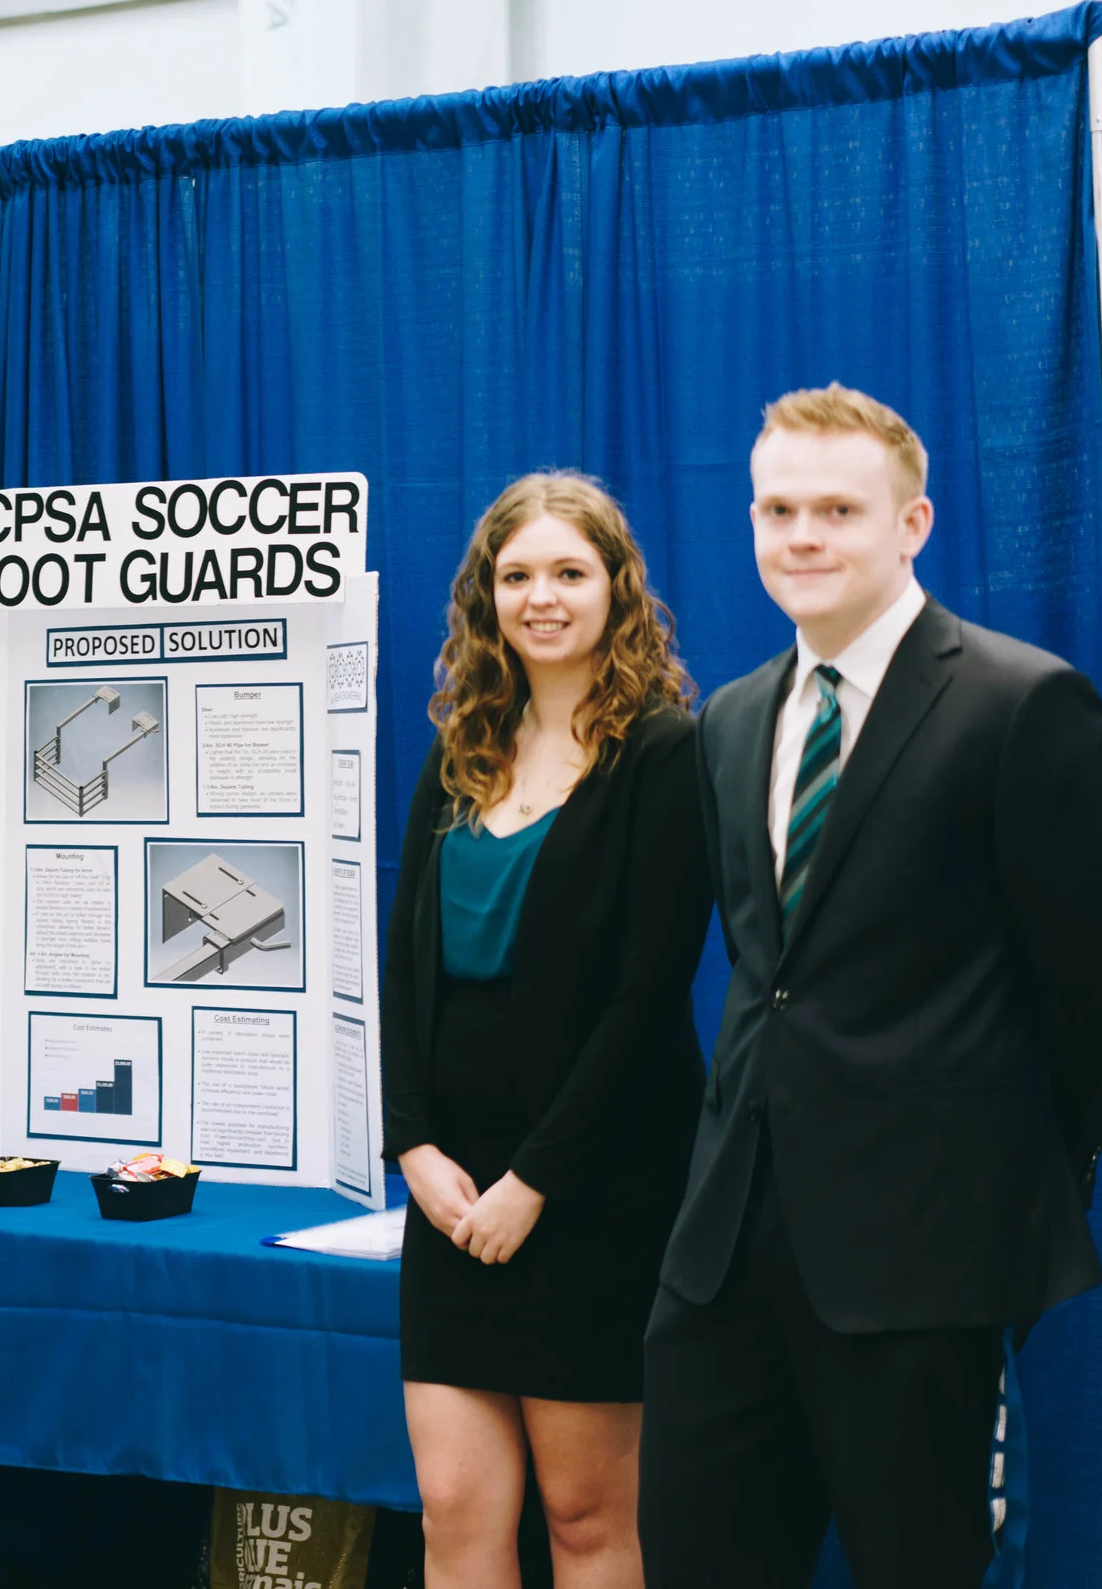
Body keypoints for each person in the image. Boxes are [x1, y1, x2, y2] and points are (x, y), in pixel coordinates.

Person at [639, 386, 1102, 1587]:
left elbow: (1101, 991)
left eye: (836, 508)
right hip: (724, 1260)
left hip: (923, 1263)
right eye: (777, 507)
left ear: (912, 521)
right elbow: (766, 977)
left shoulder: (1019, 703)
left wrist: (1009, 1185)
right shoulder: (727, 720)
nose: (802, 534)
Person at [384, 473, 710, 1589]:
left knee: (583, 1518)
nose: (541, 597)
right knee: (452, 1510)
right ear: (486, 599)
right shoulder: (457, 750)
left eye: (569, 572)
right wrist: (413, 1148)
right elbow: (400, 972)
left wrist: (536, 1180)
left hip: (592, 1189)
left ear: (617, 591)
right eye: (515, 575)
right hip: (450, 1191)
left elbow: (646, 995)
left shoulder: (664, 753)